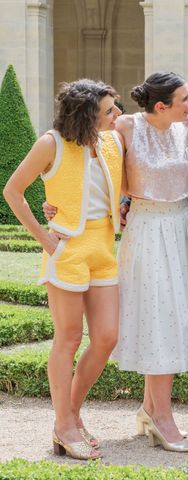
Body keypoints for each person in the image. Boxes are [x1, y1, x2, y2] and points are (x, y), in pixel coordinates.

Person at [3, 79, 123, 460]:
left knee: (106, 337)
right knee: (68, 339)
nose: (117, 115)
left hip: (104, 247)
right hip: (67, 250)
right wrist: (46, 239)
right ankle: (67, 424)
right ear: (87, 113)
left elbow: (121, 190)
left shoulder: (110, 143)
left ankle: (67, 416)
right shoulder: (51, 143)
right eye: (109, 110)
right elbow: (13, 191)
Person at [110, 72, 188, 452]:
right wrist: (121, 201)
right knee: (157, 317)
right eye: (185, 99)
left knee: (174, 317)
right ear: (161, 105)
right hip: (147, 229)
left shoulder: (187, 130)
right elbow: (104, 172)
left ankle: (151, 409)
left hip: (181, 227)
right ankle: (161, 417)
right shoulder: (125, 126)